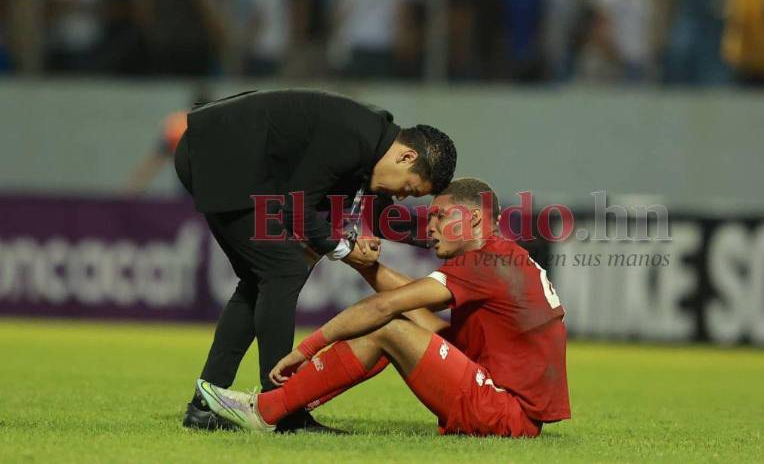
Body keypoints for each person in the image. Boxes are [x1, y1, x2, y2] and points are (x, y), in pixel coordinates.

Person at [197, 178, 571, 438]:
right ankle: (284, 408)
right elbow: (418, 309)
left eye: (441, 215)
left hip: (504, 412)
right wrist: (359, 261)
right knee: (397, 328)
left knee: (387, 326)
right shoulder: (500, 258)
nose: (431, 223)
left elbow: (388, 306)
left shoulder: (487, 264)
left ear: (472, 218)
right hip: (508, 404)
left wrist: (305, 349)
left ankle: (266, 410)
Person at [176, 89, 457, 433]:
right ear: (406, 156)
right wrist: (342, 247)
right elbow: (298, 206)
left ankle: (207, 405)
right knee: (283, 269)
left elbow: (379, 213)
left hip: (222, 151)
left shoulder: (372, 143)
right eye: (409, 188)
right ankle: (281, 412)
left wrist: (443, 238)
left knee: (261, 279)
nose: (402, 196)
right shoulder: (353, 138)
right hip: (219, 151)